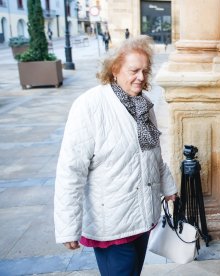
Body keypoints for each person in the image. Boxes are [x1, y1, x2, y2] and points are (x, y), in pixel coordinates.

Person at [54, 36, 178, 275]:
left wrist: (168, 186)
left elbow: (154, 154)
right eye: (134, 70)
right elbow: (71, 170)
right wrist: (68, 227)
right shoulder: (89, 105)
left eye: (145, 70)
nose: (141, 77)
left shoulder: (144, 105)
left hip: (142, 215)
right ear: (115, 69)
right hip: (112, 221)